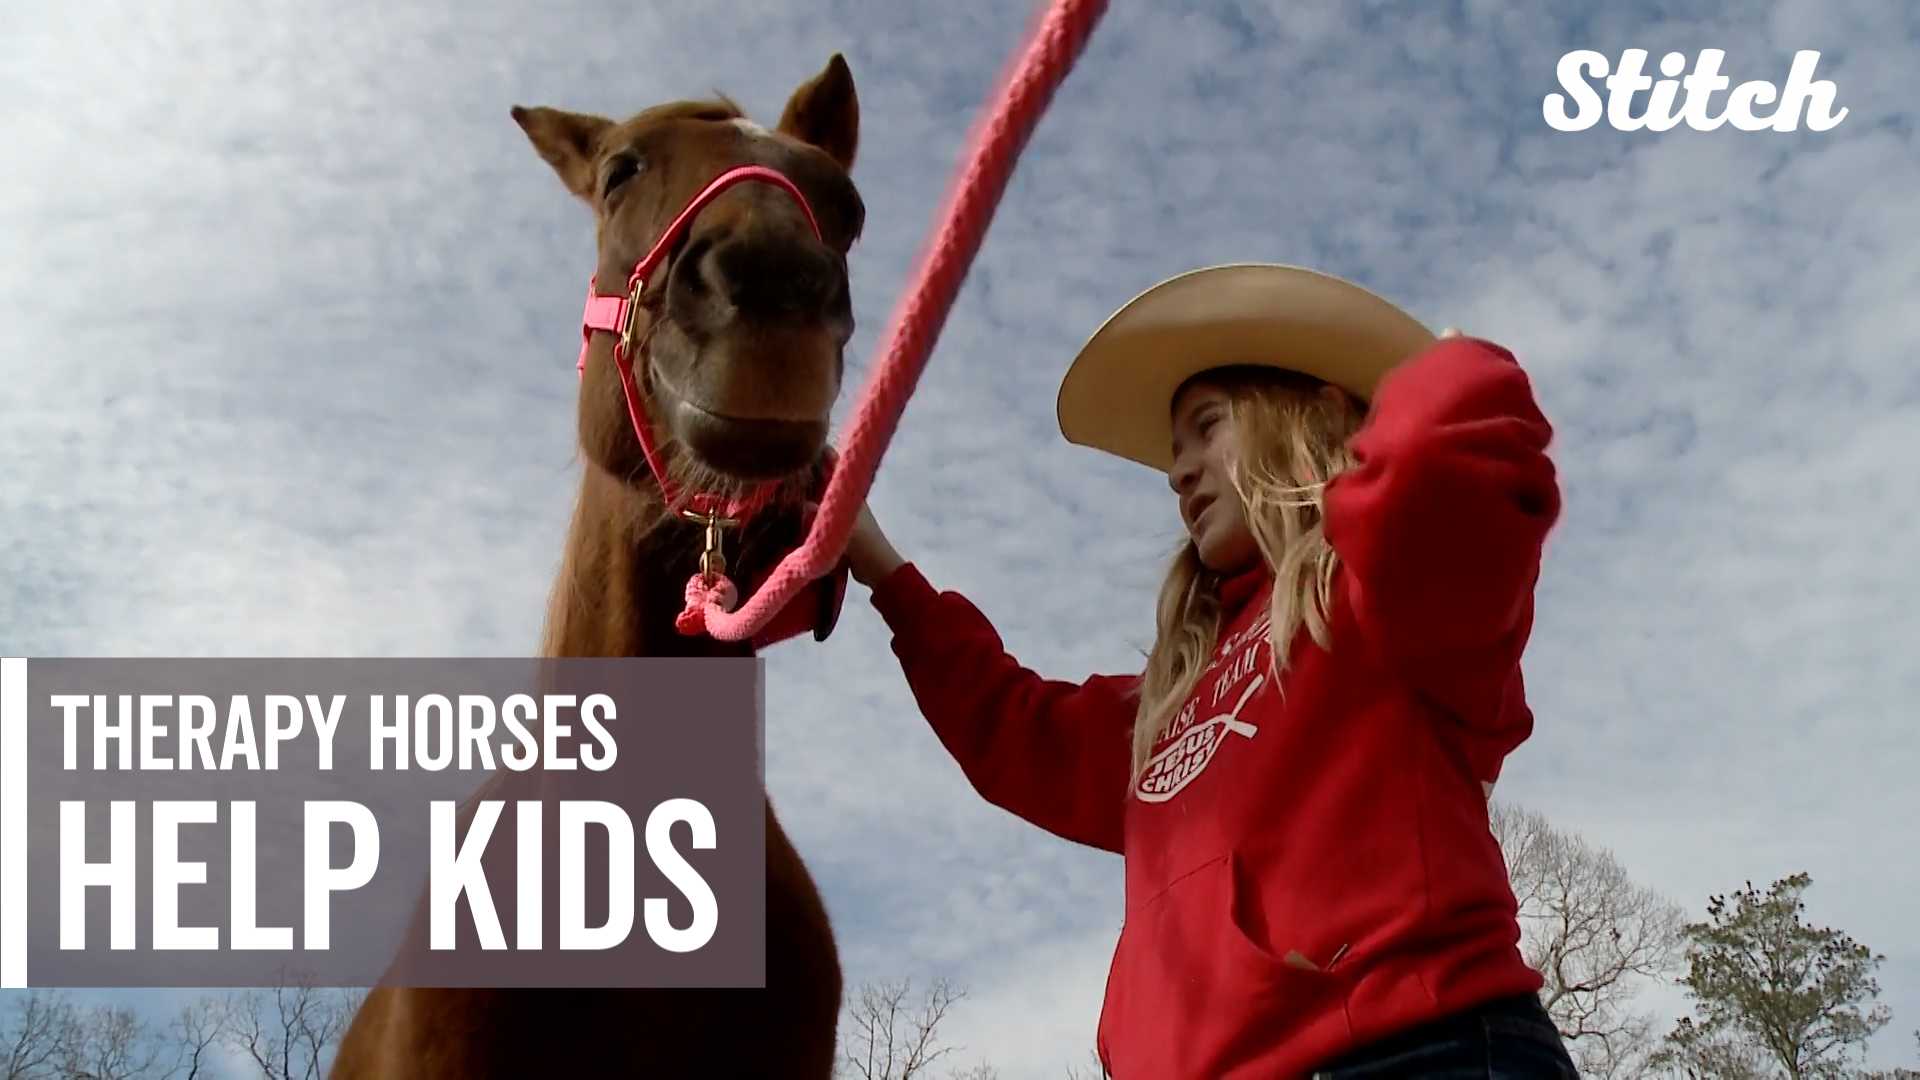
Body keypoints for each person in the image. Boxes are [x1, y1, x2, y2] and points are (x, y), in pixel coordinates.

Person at [838, 264, 1579, 1078]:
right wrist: (882, 571)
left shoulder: (1381, 591)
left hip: (1410, 1052)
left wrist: (1445, 375)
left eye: (1208, 425)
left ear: (1316, 415)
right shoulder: (1169, 704)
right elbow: (1017, 728)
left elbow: (1441, 469)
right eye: (1173, 451)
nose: (1178, 470)